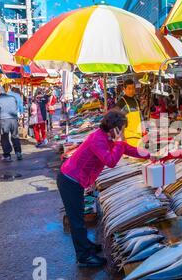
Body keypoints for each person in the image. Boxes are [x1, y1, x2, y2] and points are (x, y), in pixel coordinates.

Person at [57, 110, 152, 267]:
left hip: (75, 179)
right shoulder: (98, 139)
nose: (123, 132)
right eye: (121, 128)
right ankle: (84, 256)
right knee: (77, 220)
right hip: (70, 180)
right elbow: (111, 161)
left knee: (79, 216)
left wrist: (149, 155)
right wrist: (121, 142)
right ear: (114, 127)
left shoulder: (107, 137)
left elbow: (129, 149)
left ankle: (86, 246)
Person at [0, 85, 22, 162]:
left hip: (4, 120)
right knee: (15, 136)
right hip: (14, 119)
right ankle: (18, 153)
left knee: (4, 137)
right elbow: (16, 107)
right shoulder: (12, 97)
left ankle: (7, 155)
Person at [115, 79, 143, 147]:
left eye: (133, 88)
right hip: (128, 138)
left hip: (139, 135)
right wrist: (122, 137)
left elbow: (140, 117)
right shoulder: (121, 102)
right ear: (124, 89)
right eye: (129, 88)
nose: (131, 90)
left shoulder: (137, 101)